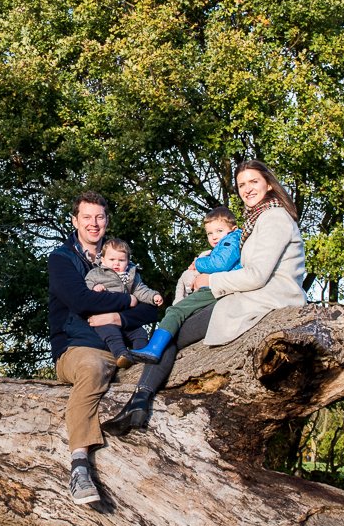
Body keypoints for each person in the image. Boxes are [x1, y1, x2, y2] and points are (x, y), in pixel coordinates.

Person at [105, 161, 305, 435]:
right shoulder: (258, 219)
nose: (247, 189)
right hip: (251, 294)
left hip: (266, 298)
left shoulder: (274, 218)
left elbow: (257, 275)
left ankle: (139, 402)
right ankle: (138, 402)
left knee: (172, 333)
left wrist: (210, 280)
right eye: (242, 185)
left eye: (253, 182)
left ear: (269, 184)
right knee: (174, 328)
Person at [48, 191, 162, 505]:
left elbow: (151, 307)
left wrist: (116, 315)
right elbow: (80, 301)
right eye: (87, 217)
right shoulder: (61, 259)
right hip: (78, 347)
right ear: (75, 221)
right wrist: (126, 301)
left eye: (99, 217)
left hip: (122, 346)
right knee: (93, 368)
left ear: (106, 220)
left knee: (160, 361)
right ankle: (79, 465)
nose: (94, 223)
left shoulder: (119, 257)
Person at [126, 207, 240, 369]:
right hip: (219, 288)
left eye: (219, 230)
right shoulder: (226, 243)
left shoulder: (231, 240)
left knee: (176, 310)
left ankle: (153, 348)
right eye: (210, 233)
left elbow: (220, 264)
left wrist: (198, 264)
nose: (214, 237)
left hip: (218, 287)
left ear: (232, 229)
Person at [84, 237, 163, 365]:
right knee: (111, 334)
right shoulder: (96, 273)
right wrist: (94, 288)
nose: (116, 263)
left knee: (140, 333)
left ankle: (141, 354)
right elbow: (86, 287)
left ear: (127, 261)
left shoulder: (130, 275)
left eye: (121, 260)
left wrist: (153, 296)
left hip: (125, 316)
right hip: (103, 317)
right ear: (102, 259)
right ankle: (121, 355)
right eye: (112, 259)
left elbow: (140, 290)